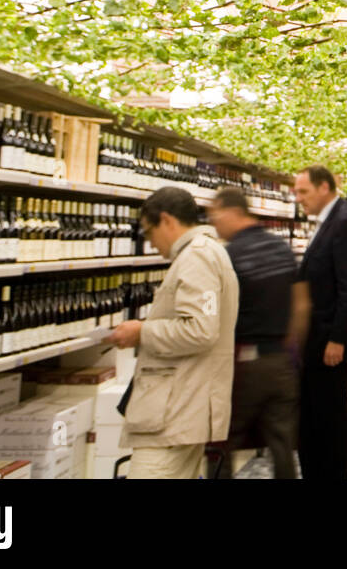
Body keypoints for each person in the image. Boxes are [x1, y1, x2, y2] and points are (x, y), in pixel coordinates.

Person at [108, 187, 239, 479]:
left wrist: (142, 332)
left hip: (174, 410)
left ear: (166, 220)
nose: (151, 242)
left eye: (149, 231)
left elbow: (200, 329)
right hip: (184, 406)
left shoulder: (198, 257)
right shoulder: (207, 252)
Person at [209, 187, 307, 479]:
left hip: (244, 363)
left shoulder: (228, 256)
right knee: (281, 443)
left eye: (216, 215)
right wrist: (291, 348)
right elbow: (302, 304)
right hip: (281, 361)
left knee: (222, 440)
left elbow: (217, 313)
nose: (214, 223)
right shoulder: (280, 247)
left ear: (233, 212)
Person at [293, 164, 347, 480]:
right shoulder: (331, 220)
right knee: (314, 419)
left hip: (329, 342)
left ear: (324, 187)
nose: (299, 198)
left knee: (331, 420)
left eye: (303, 191)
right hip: (318, 340)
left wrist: (338, 338)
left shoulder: (344, 222)